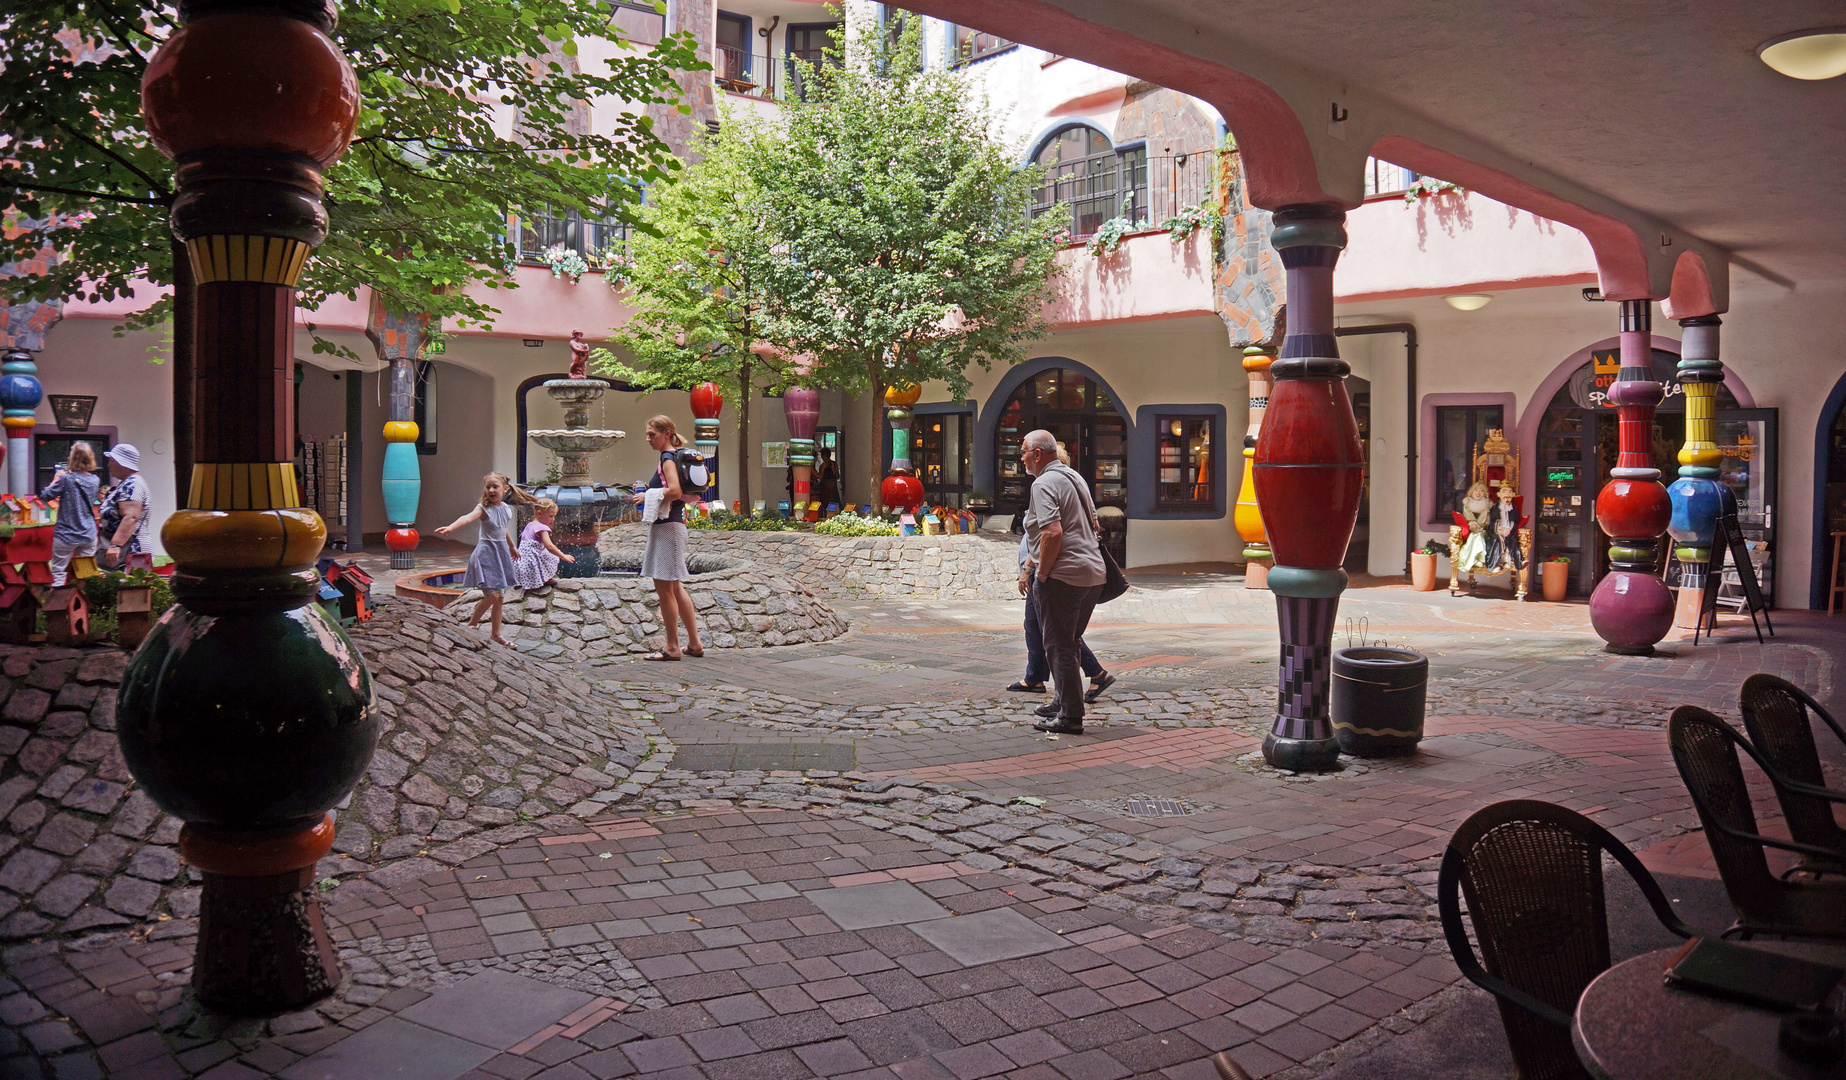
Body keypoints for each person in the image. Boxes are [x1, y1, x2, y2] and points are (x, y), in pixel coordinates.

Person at [1019, 428, 1107, 734]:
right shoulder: (1074, 476)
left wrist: (1041, 573)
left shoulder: (1043, 483)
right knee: (1068, 643)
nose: (1021, 459)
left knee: (1060, 646)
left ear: (1038, 455)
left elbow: (1052, 532)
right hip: (1092, 574)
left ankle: (1070, 716)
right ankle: (1061, 700)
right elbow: (1094, 523)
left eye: (1024, 452)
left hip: (1064, 576)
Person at [631, 415, 705, 661]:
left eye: (652, 434)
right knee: (674, 586)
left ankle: (672, 647)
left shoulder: (667, 457)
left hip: (668, 528)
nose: (648, 439)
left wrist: (647, 495)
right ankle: (694, 643)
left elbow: (674, 491)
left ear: (667, 433)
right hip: (672, 528)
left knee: (665, 589)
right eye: (647, 434)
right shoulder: (670, 457)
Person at [436, 472, 526, 645]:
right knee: (492, 596)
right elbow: (467, 518)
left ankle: (496, 635)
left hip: (499, 554)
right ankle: (472, 624)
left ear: (505, 489)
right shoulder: (483, 509)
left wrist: (512, 546)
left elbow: (502, 528)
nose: (491, 490)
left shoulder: (505, 509)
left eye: (495, 487)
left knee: (500, 598)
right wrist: (451, 527)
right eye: (488, 487)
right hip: (486, 554)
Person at [41, 442, 101, 586]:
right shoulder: (95, 480)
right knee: (86, 573)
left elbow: (45, 496)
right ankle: (85, 602)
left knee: (58, 572)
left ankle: (57, 604)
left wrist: (55, 480)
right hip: (88, 532)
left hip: (66, 533)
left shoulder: (65, 479)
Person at [98, 444, 151, 569]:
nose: (108, 465)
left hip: (131, 551)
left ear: (123, 463)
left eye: (112, 461)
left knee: (131, 587)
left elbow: (131, 517)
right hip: (125, 551)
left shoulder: (132, 484)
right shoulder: (127, 483)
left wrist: (115, 546)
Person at [514, 498, 574, 589]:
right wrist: (563, 556)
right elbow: (549, 546)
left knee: (541, 551)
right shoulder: (542, 528)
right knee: (552, 556)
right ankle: (545, 578)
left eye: (554, 516)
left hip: (521, 565)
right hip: (531, 564)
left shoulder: (529, 525)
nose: (553, 519)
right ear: (539, 513)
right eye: (550, 516)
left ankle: (532, 580)